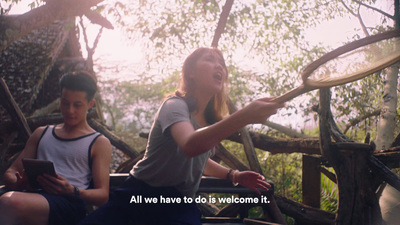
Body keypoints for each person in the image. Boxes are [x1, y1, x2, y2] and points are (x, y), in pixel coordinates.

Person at [78, 47, 285, 225]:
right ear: (191, 73)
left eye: (221, 62)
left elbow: (199, 160)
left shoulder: (211, 122)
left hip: (178, 203)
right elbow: (189, 145)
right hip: (139, 194)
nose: (219, 66)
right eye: (210, 59)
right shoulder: (174, 106)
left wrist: (233, 175)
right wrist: (245, 115)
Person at [0, 71, 112, 225]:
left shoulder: (98, 142)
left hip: (68, 203)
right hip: (31, 196)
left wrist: (73, 190)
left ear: (90, 104)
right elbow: (10, 173)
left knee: (10, 203)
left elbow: (102, 195)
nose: (70, 110)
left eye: (77, 105)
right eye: (65, 103)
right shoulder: (41, 133)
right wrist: (17, 183)